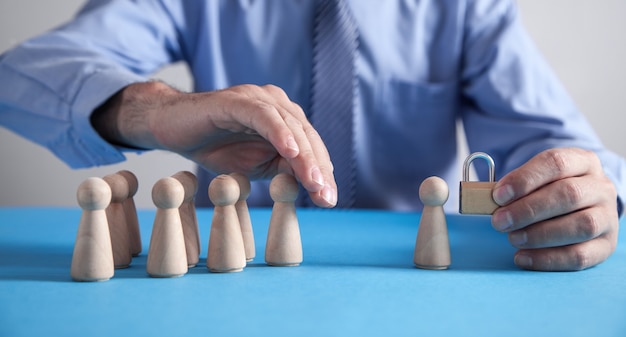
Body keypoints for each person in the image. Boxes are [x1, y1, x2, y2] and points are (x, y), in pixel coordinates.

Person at [0, 0, 624, 272]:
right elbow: (18, 74)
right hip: (232, 266)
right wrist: (151, 108)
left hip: (414, 282)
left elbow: (558, 146)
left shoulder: (468, 6)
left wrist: (589, 189)